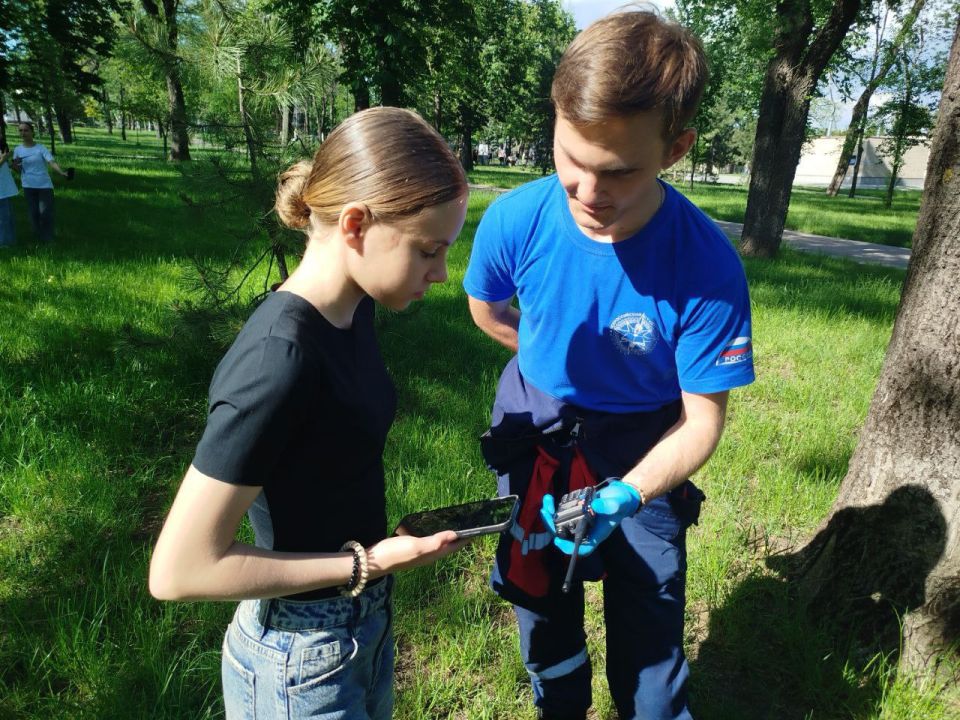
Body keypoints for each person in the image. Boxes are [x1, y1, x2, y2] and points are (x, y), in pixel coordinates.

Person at [463, 11, 754, 720]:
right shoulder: (515, 219)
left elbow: (701, 421)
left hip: (645, 448)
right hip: (534, 432)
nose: (589, 194)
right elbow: (487, 308)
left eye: (619, 172)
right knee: (543, 604)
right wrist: (547, 363)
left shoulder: (706, 267)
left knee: (649, 626)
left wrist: (629, 493)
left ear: (676, 148)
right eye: (570, 160)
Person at [149, 107, 471, 720]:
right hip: (300, 658)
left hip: (359, 631)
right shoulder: (280, 358)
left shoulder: (353, 311)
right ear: (355, 225)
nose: (441, 273)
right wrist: (368, 562)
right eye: (430, 250)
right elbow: (179, 568)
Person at [12, 122, 68, 243]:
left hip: (44, 185)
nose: (23, 133)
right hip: (28, 186)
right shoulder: (17, 149)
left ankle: (48, 238)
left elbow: (51, 161)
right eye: (20, 131)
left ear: (32, 132)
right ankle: (36, 235)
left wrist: (61, 172)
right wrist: (15, 165)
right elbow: (18, 170)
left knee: (45, 213)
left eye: (26, 130)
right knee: (33, 213)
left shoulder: (40, 148)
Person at [0, 140, 17, 247]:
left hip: (5, 188)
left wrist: (12, 164)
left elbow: (6, 165)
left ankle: (10, 241)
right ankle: (3, 243)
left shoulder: (2, 145)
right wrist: (4, 158)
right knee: (3, 218)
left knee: (8, 217)